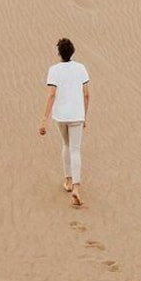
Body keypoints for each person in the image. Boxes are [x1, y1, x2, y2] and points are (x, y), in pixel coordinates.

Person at [39, 38, 89, 206]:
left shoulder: (54, 70)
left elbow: (51, 94)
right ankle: (76, 187)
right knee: (76, 150)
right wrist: (85, 116)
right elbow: (86, 94)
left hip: (61, 115)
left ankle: (67, 180)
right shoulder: (81, 68)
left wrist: (44, 119)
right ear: (73, 51)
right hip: (77, 114)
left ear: (59, 53)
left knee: (66, 145)